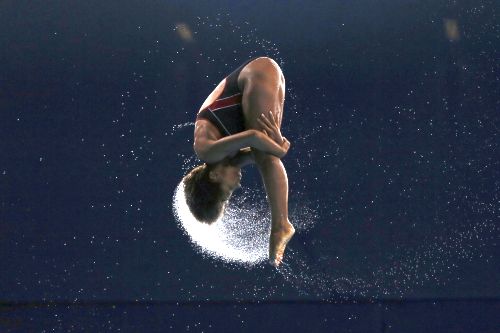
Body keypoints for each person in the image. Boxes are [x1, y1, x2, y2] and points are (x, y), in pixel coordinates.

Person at [182, 56, 295, 267]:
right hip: (261, 74)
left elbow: (253, 137)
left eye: (227, 192)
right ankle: (281, 224)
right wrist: (276, 144)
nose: (237, 185)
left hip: (256, 74)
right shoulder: (226, 159)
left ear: (214, 176)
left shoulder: (207, 151)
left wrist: (278, 149)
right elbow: (259, 151)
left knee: (267, 154)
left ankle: (280, 224)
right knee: (265, 153)